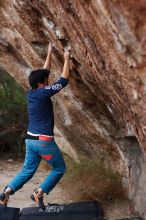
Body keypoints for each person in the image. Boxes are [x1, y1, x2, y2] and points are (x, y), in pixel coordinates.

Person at [0, 43, 70, 210]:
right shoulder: (44, 92)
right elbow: (63, 81)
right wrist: (67, 59)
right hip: (43, 142)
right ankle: (39, 192)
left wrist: (49, 53)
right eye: (46, 81)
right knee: (60, 168)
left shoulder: (31, 92)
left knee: (27, 171)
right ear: (41, 84)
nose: (48, 80)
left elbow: (43, 73)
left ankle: (7, 191)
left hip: (31, 140)